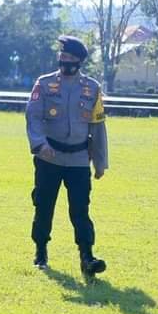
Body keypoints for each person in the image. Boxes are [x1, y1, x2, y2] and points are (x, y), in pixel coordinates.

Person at [25, 35, 108, 280]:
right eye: (63, 57)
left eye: (71, 58)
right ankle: (41, 250)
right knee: (44, 205)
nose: (66, 61)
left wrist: (100, 161)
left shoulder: (92, 88)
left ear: (80, 61)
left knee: (81, 209)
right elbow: (33, 117)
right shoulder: (44, 83)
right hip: (49, 157)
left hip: (79, 159)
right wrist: (40, 145)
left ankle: (87, 256)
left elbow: (98, 126)